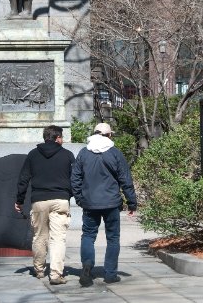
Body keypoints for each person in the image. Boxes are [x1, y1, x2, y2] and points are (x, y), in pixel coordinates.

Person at [71, 122, 137, 287]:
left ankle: (87, 268)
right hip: (111, 202)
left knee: (88, 236)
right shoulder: (115, 153)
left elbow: (75, 178)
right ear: (109, 135)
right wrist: (132, 202)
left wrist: (79, 198)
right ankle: (110, 274)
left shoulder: (84, 153)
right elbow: (125, 179)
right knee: (113, 238)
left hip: (90, 203)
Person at [15, 125, 75, 285]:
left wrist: (19, 200)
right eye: (61, 137)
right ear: (57, 138)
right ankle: (56, 274)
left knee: (39, 236)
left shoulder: (33, 155)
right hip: (60, 200)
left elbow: (23, 179)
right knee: (58, 238)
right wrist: (74, 195)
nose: (63, 141)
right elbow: (75, 178)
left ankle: (39, 269)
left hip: (39, 200)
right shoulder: (67, 155)